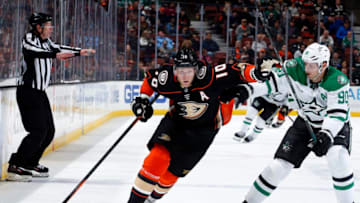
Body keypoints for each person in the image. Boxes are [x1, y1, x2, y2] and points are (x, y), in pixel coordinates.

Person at [127, 48, 271, 203]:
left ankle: (151, 200)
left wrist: (256, 73)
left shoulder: (210, 76)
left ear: (196, 69)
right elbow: (149, 80)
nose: (185, 76)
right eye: (180, 71)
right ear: (175, 70)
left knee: (171, 175)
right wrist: (142, 99)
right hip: (176, 123)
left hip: (204, 132)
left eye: (189, 71)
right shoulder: (166, 78)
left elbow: (238, 70)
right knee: (158, 157)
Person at [241, 43, 355, 203]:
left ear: (323, 65)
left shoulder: (337, 80)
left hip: (334, 126)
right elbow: (270, 84)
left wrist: (327, 134)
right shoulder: (294, 68)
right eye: (305, 63)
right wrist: (248, 90)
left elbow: (337, 114)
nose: (306, 68)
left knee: (338, 159)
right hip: (305, 123)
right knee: (277, 168)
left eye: (312, 65)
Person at [7, 12, 95, 182]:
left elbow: (58, 48)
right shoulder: (29, 38)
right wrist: (54, 55)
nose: (50, 28)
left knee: (49, 131)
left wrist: (79, 52)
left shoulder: (46, 42)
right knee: (37, 131)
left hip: (39, 92)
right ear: (38, 27)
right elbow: (35, 51)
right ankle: (16, 165)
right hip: (28, 91)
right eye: (47, 25)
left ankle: (30, 163)